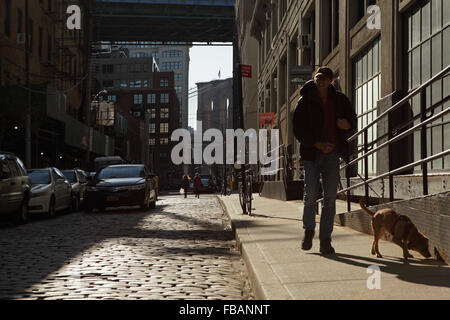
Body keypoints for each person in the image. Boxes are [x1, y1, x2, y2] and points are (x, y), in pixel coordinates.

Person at [292, 67, 357, 254]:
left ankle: (325, 240)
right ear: (314, 80)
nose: (320, 81)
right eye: (317, 78)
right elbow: (298, 130)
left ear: (331, 81)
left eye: (324, 78)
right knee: (310, 195)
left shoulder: (340, 100)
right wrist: (317, 144)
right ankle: (309, 230)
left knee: (330, 198)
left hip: (332, 155)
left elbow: (352, 120)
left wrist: (347, 125)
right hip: (312, 155)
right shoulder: (304, 102)